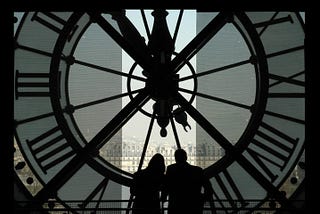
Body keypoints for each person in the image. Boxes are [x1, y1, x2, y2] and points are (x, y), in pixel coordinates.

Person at [161, 148, 213, 214]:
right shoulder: (197, 170)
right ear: (186, 157)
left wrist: (163, 197)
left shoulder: (171, 169)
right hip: (194, 206)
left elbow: (166, 186)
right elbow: (208, 187)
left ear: (175, 158)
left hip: (176, 206)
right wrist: (202, 199)